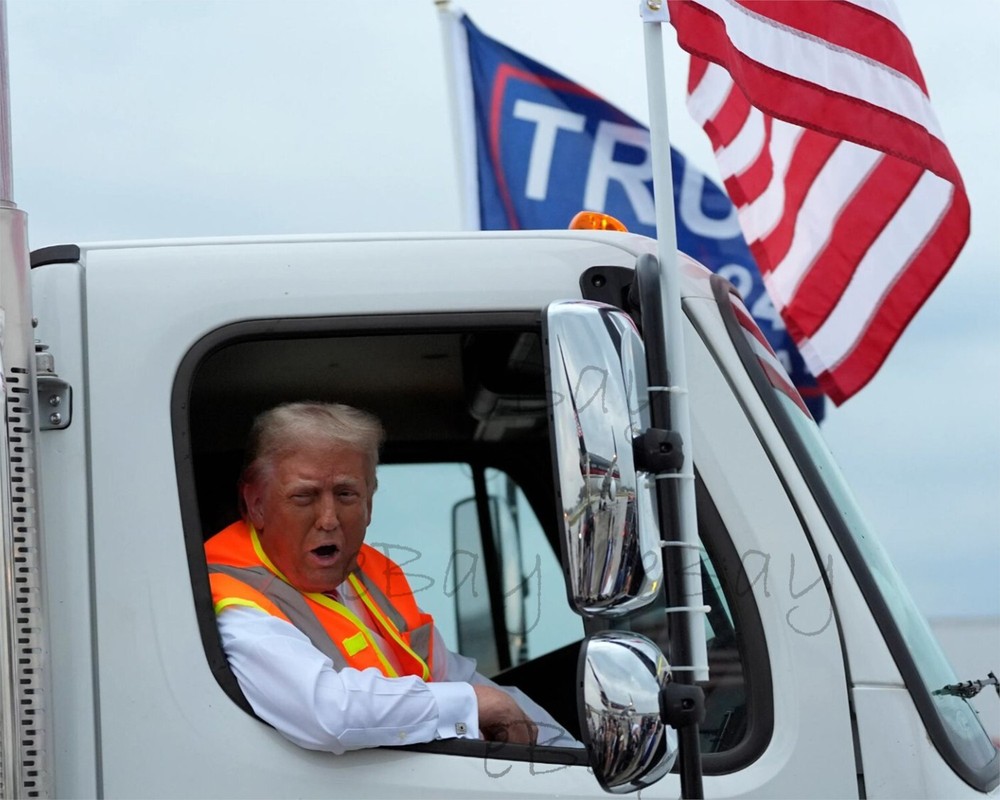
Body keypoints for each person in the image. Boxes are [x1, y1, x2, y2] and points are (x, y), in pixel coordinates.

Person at [205, 400, 578, 754]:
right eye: (304, 497)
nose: (329, 519)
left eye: (347, 494)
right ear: (256, 504)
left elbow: (455, 676)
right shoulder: (234, 599)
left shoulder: (369, 576)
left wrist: (570, 758)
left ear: (370, 502)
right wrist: (470, 705)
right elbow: (327, 713)